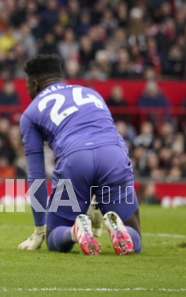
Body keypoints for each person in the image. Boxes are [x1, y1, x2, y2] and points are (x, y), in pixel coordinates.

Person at [17, 54, 140, 256]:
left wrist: (40, 227)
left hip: (75, 159)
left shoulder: (30, 114)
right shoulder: (91, 93)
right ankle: (119, 228)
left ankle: (75, 232)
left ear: (35, 83)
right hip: (113, 153)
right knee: (135, 236)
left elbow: (36, 175)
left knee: (55, 236)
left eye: (28, 86)